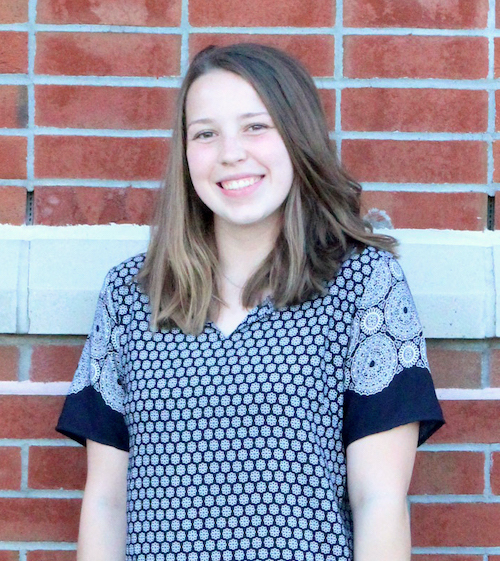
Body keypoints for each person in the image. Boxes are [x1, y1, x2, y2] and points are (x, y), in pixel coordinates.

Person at [57, 43, 444, 561]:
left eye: (255, 126)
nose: (230, 152)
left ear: (298, 136)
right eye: (206, 133)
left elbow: (380, 501)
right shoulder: (133, 295)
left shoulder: (363, 285)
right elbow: (106, 502)